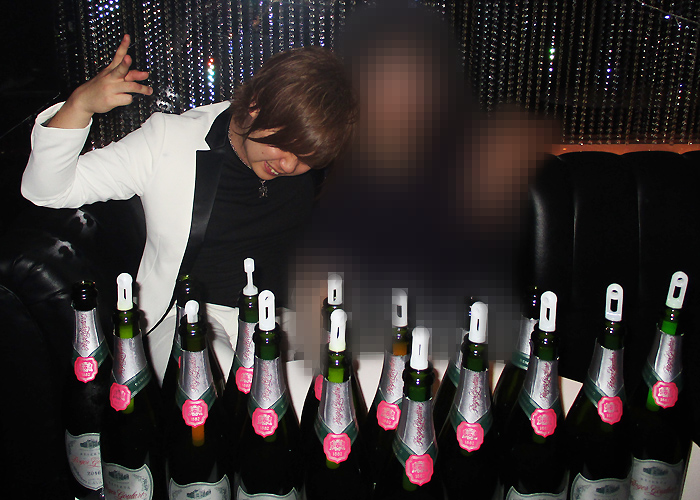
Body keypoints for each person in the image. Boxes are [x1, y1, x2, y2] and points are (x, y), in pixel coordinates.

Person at [22, 34, 357, 382]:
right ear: (256, 105)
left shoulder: (304, 168)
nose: (289, 165)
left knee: (364, 379)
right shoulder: (168, 142)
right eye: (284, 146)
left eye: (306, 158)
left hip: (278, 318)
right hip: (191, 318)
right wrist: (80, 106)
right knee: (224, 380)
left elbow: (310, 248)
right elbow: (47, 190)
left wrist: (324, 312)